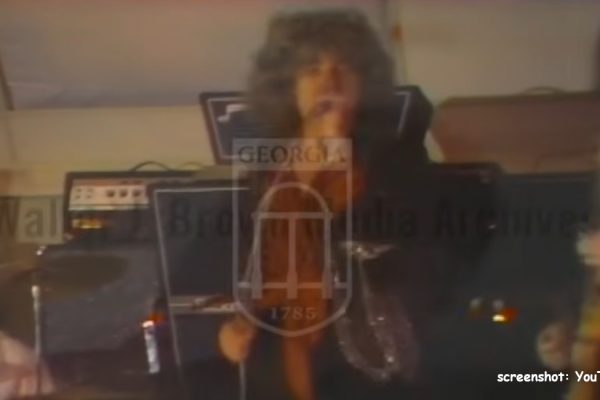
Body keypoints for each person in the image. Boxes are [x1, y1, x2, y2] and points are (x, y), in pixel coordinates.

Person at [218, 9, 444, 400]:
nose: (330, 82)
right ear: (288, 87)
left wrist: (338, 150)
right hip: (276, 361)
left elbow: (410, 260)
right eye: (312, 70)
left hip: (362, 366)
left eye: (345, 69)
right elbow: (230, 265)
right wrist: (230, 327)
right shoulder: (264, 171)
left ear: (365, 84)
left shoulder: (395, 160)